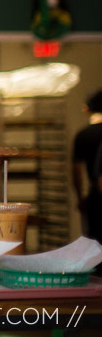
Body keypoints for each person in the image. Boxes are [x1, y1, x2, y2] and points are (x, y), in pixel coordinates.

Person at [73, 89, 102, 240]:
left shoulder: (83, 135)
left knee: (95, 244)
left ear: (87, 108)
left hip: (96, 197)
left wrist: (80, 197)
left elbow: (77, 171)